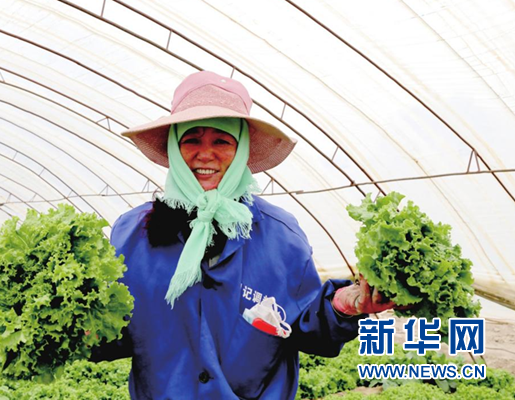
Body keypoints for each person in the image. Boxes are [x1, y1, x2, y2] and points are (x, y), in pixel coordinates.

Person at [94, 71, 396, 399]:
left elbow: (307, 326)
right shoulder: (133, 234)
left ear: (242, 151)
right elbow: (115, 333)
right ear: (173, 148)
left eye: (221, 141)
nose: (205, 154)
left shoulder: (281, 236)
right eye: (191, 139)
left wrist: (342, 305)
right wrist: (82, 327)